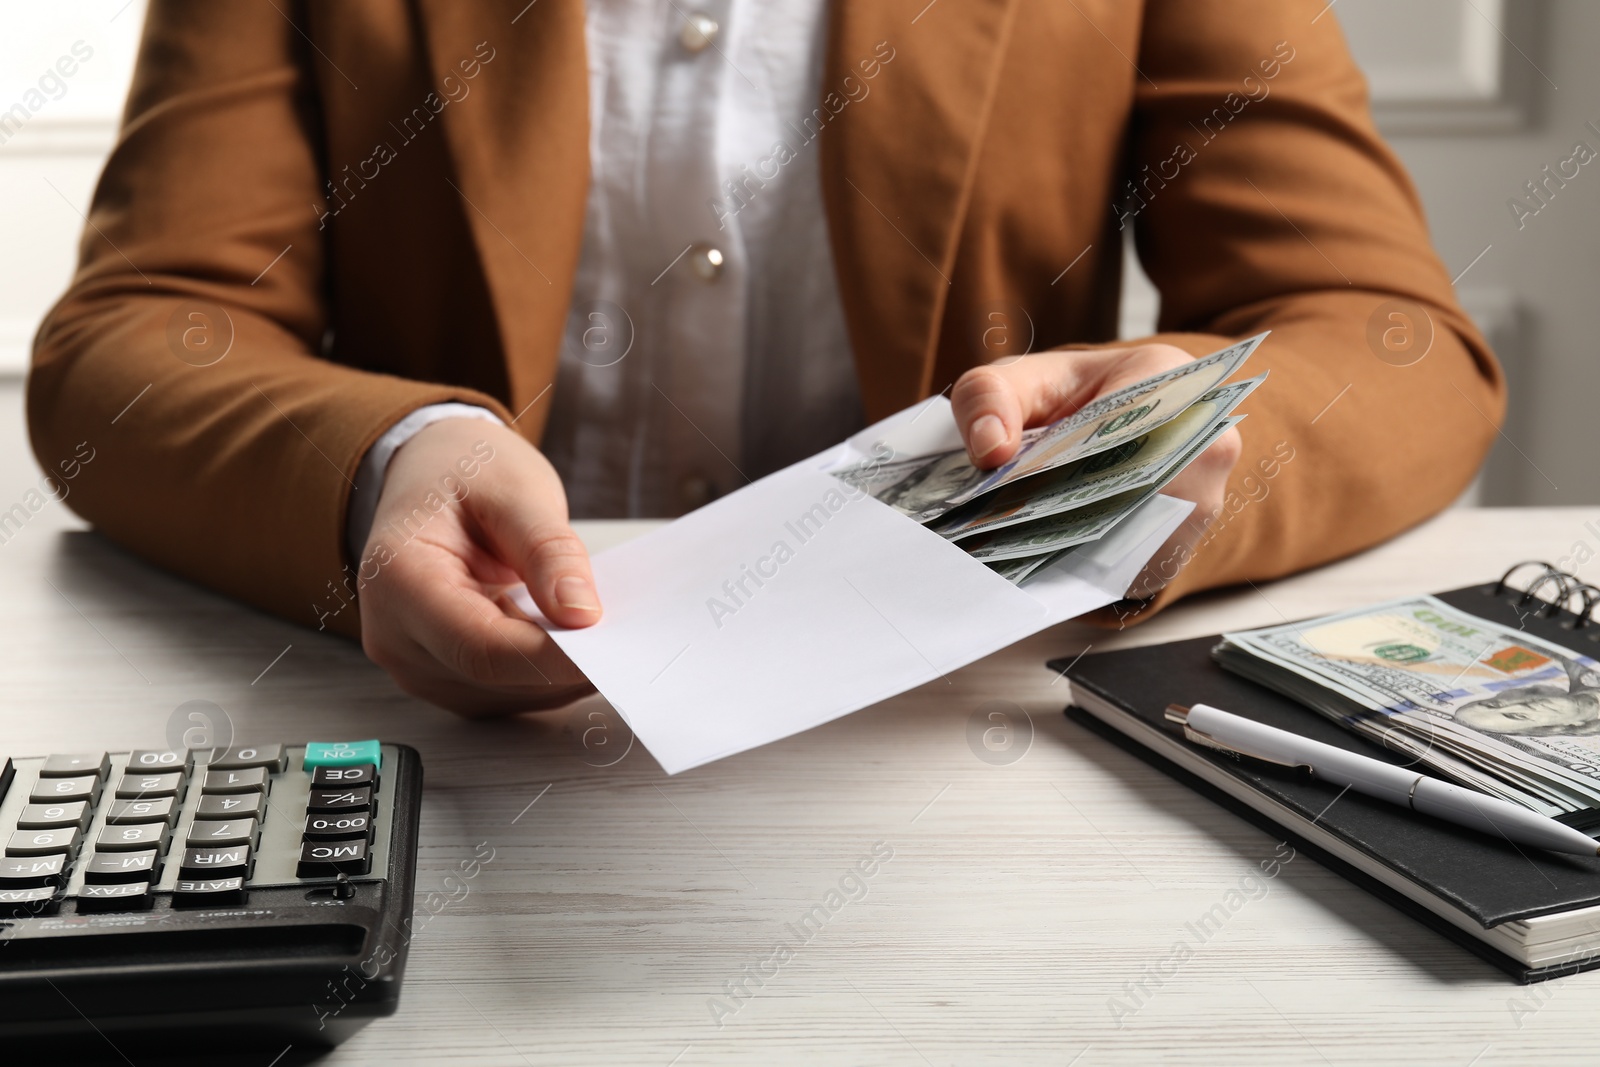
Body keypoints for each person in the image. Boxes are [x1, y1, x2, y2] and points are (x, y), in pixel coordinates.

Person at [29, 1, 1505, 717]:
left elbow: (1391, 344)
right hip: (435, 768)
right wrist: (388, 465)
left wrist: (1172, 443)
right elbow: (137, 333)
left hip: (956, 767)